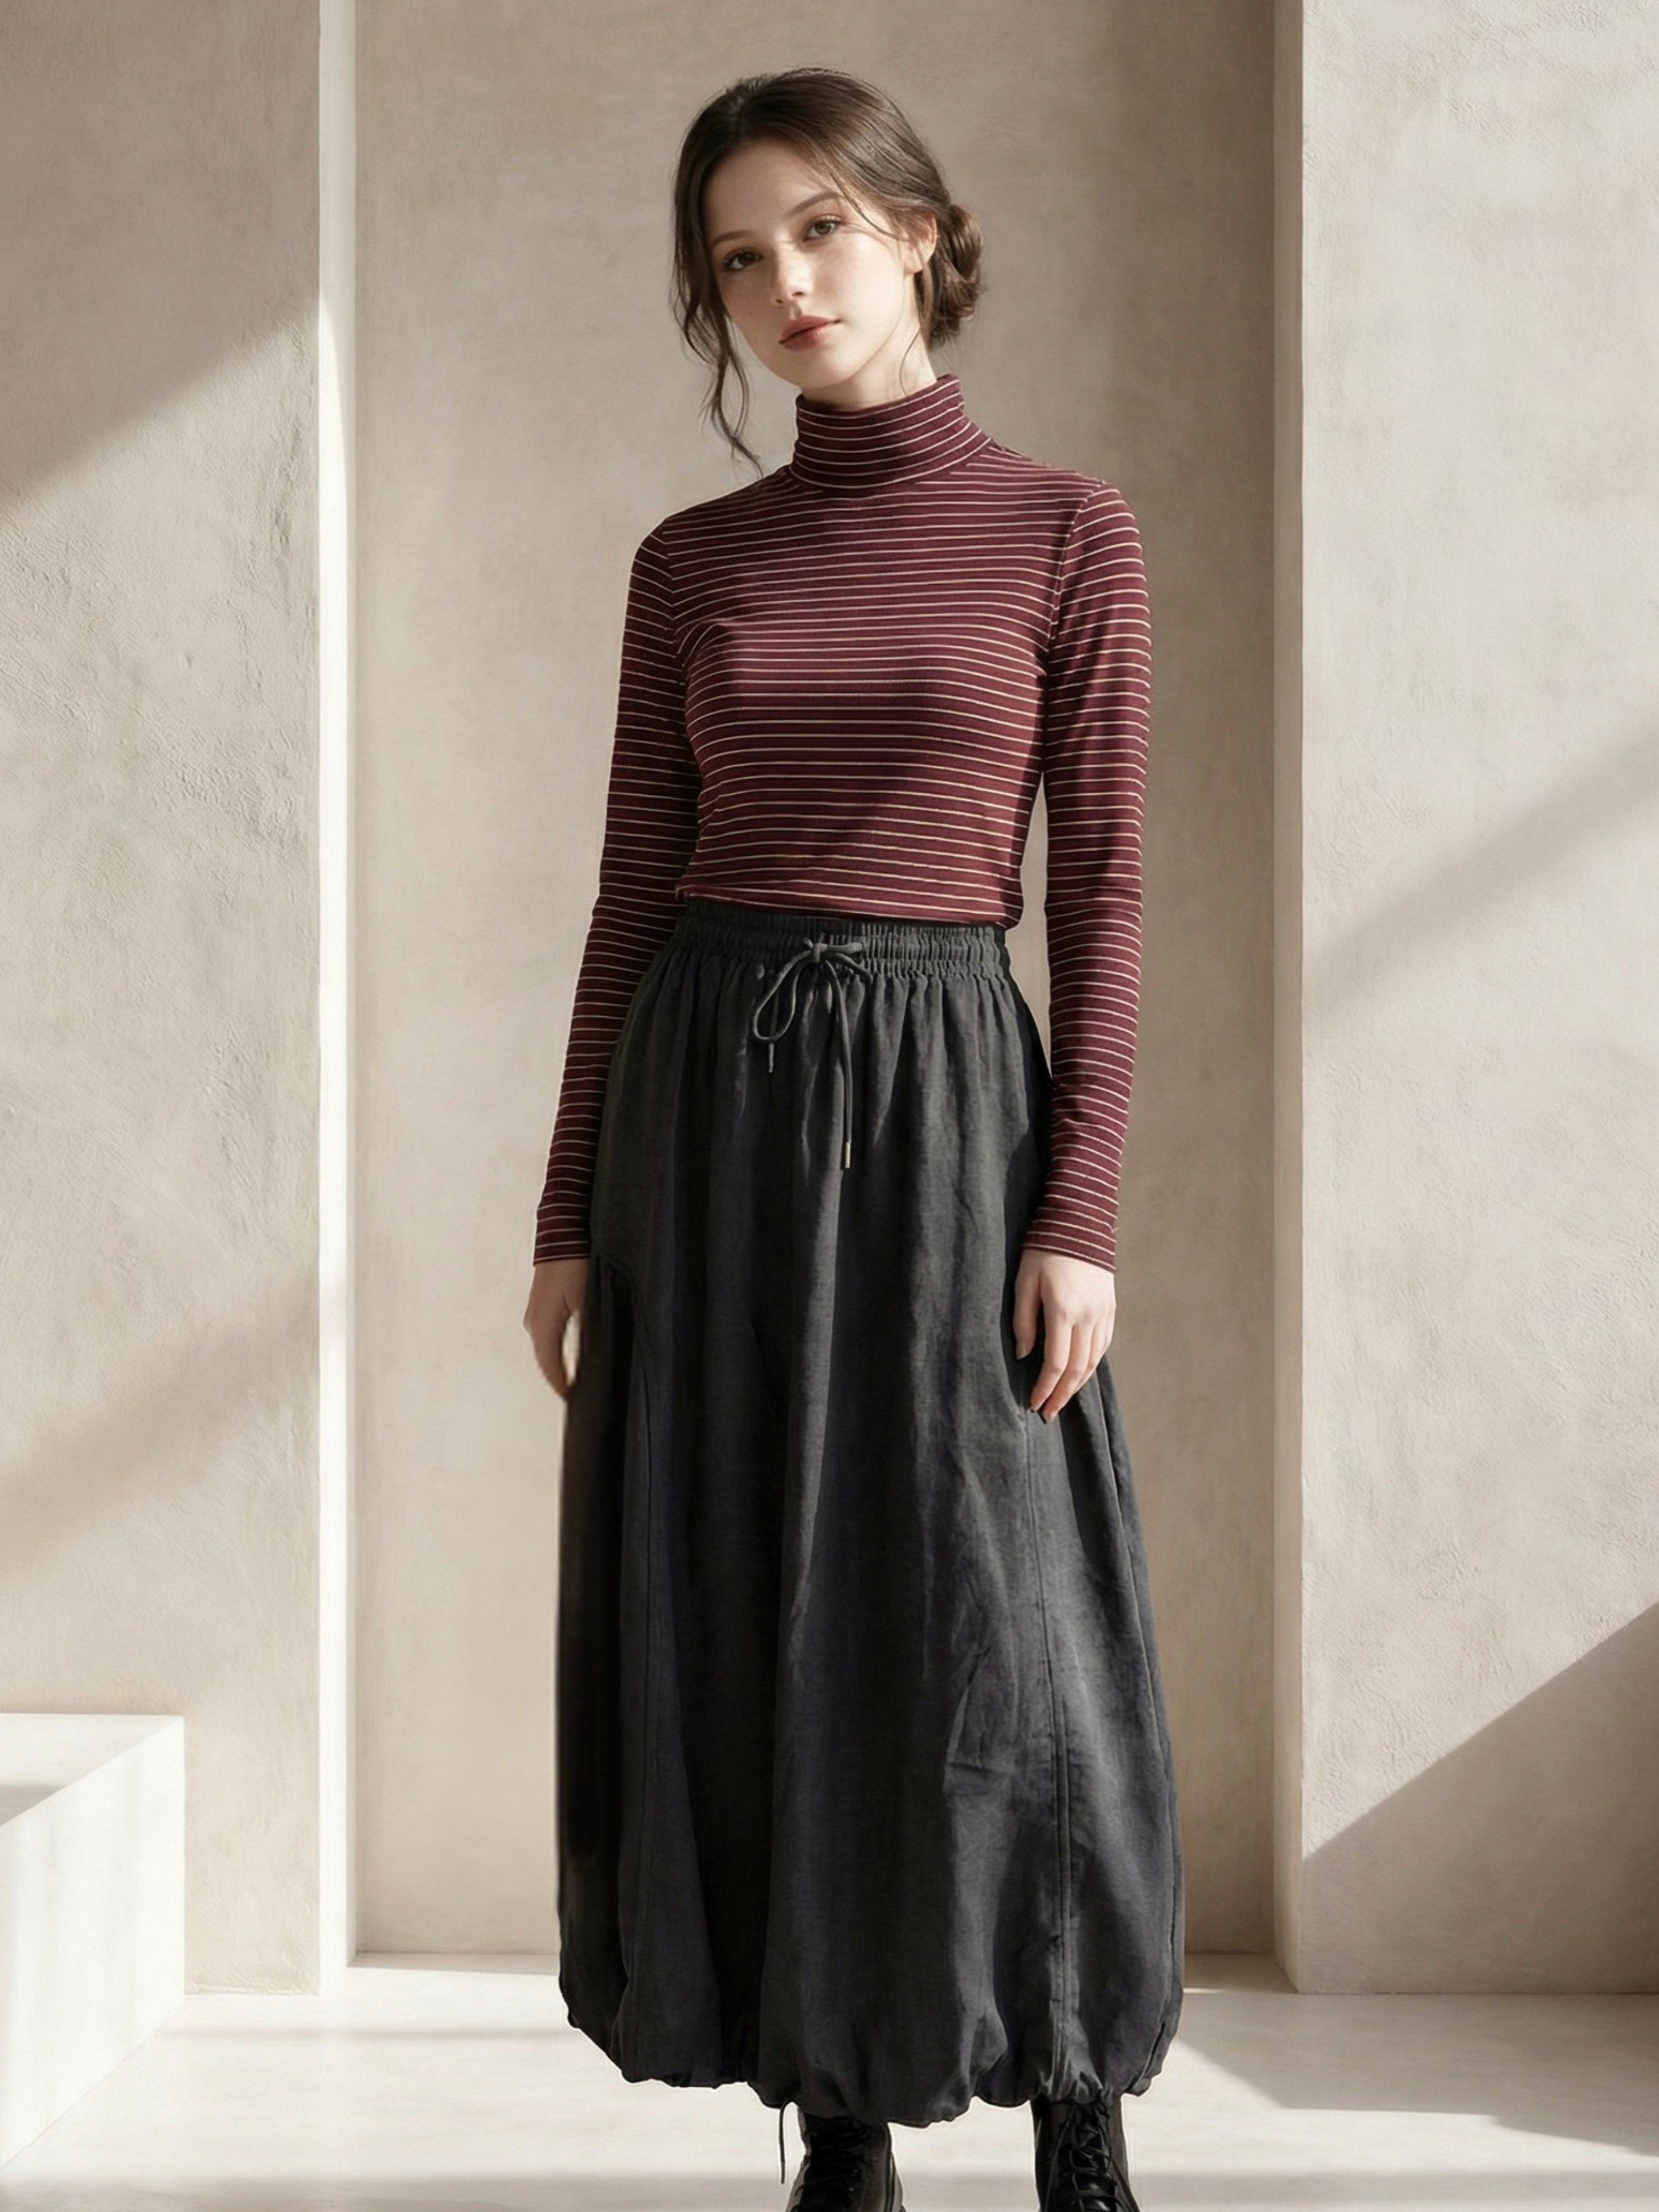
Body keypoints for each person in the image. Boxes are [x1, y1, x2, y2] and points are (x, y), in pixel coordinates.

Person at [523, 66, 1183, 2212]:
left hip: (946, 1102)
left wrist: (1078, 1205)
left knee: (1003, 1610)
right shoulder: (689, 565)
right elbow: (630, 895)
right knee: (764, 1596)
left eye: (816, 228)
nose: (783, 285)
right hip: (708, 1112)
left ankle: (1073, 2093)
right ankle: (839, 2121)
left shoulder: (1067, 531)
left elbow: (1102, 894)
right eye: (738, 259)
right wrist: (566, 1211)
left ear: (912, 229)